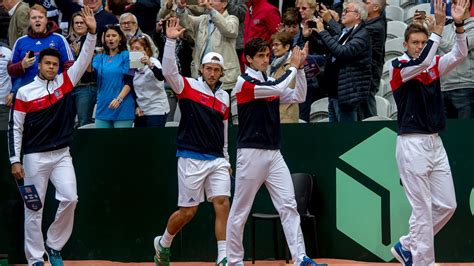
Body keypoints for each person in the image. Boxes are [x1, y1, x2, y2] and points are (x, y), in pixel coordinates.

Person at [7, 6, 96, 266]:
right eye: (47, 63)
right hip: (34, 158)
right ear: (39, 66)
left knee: (70, 198)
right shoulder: (24, 92)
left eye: (55, 64)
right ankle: (35, 258)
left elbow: (82, 62)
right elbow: (15, 128)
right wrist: (15, 160)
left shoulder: (64, 82)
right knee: (33, 209)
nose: (51, 67)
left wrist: (92, 34)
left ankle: (54, 246)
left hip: (61, 155)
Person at [226, 37, 324, 266]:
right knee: (240, 209)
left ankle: (300, 258)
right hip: (250, 152)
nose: (264, 59)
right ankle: (233, 261)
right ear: (248, 59)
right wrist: (293, 66)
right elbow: (279, 88)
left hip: (273, 153)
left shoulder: (269, 80)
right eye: (259, 55)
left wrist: (299, 71)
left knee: (289, 205)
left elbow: (298, 96)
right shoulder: (244, 82)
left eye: (266, 55)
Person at [388, 0, 469, 264]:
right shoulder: (399, 67)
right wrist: (436, 27)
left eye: (423, 43)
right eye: (415, 42)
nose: (420, 46)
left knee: (447, 205)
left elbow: (460, 54)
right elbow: (422, 63)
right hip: (411, 144)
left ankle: (408, 245)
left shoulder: (431, 65)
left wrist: (457, 26)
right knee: (422, 210)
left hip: (435, 142)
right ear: (405, 45)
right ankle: (424, 261)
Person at [153, 18, 231, 266]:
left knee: (222, 203)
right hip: (191, 157)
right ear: (201, 69)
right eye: (208, 68)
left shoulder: (225, 98)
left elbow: (225, 131)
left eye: (216, 70)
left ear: (221, 73)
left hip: (217, 159)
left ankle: (223, 256)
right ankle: (163, 242)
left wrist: (226, 158)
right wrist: (171, 40)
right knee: (188, 212)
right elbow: (168, 72)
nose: (212, 73)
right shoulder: (187, 86)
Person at [7, 4, 74, 104]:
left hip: (53, 94)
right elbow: (10, 71)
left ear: (46, 19)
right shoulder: (20, 42)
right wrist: (22, 65)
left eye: (40, 17)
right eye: (34, 18)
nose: (37, 20)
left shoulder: (59, 39)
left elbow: (70, 66)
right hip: (28, 95)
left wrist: (62, 88)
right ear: (29, 21)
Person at [176, 0, 240, 92]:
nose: (210, 2)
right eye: (209, 0)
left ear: (224, 4)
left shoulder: (232, 19)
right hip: (202, 76)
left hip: (224, 78)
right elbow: (185, 21)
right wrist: (181, 9)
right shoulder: (203, 19)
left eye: (214, 0)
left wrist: (210, 10)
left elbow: (229, 30)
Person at [92, 24, 134, 128]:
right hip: (103, 106)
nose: (110, 38)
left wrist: (118, 99)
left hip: (123, 106)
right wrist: (89, 57)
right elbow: (91, 78)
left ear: (120, 37)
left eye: (114, 35)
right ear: (103, 38)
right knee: (102, 143)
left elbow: (130, 81)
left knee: (120, 143)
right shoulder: (98, 58)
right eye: (108, 36)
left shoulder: (127, 55)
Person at [438, 0, 474, 119]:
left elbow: (458, 50)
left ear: (467, 4)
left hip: (466, 88)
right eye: (452, 3)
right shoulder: (446, 27)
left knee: (466, 134)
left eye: (456, 2)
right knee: (446, 136)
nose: (452, 6)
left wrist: (435, 35)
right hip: (443, 88)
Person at [129, 36, 169, 127]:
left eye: (138, 48)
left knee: (153, 139)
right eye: (132, 49)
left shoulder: (154, 62)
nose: (134, 51)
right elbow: (132, 88)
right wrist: (136, 106)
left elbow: (161, 77)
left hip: (157, 109)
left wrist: (150, 64)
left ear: (146, 50)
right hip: (141, 109)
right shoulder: (133, 67)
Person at [67, 11, 97, 127]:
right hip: (68, 87)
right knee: (67, 122)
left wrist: (79, 53)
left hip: (86, 86)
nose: (79, 25)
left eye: (82, 22)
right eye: (76, 23)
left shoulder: (94, 40)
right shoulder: (66, 41)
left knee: (84, 122)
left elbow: (91, 70)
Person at [269, 31, 299, 123]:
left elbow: (287, 90)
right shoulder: (273, 64)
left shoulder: (291, 64)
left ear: (287, 47)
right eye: (273, 45)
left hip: (287, 114)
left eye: (277, 45)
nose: (273, 48)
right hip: (275, 112)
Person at [0, 43, 12, 130]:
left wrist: (13, 92)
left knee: (3, 138)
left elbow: (17, 74)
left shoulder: (8, 52)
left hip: (4, 104)